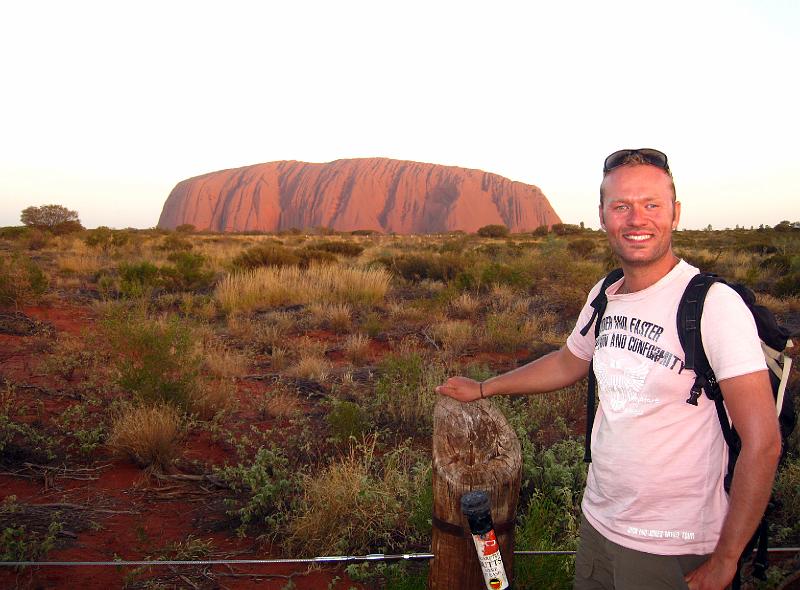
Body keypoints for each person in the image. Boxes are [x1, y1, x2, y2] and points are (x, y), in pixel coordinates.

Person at [435, 148, 781, 590]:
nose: (637, 219)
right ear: (603, 216)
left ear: (674, 213)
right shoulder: (605, 294)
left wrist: (726, 559)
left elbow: (763, 443)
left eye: (651, 205)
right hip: (599, 525)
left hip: (672, 546)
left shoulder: (712, 305)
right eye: (621, 206)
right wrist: (484, 387)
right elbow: (568, 361)